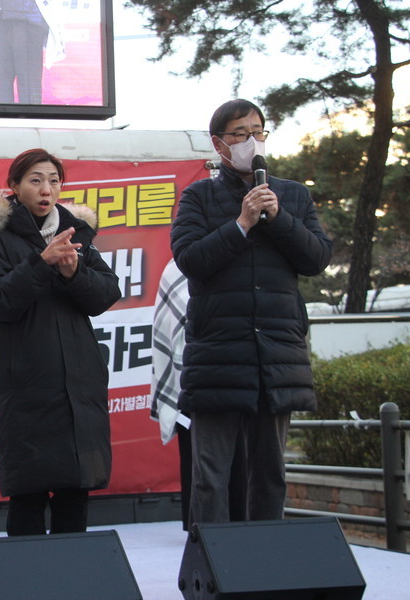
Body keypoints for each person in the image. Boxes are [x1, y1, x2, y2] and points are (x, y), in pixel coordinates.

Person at [171, 99, 332, 526]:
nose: (252, 141)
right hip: (219, 355)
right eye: (240, 134)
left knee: (270, 473)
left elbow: (317, 258)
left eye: (258, 132)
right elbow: (190, 259)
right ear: (219, 144)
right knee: (211, 476)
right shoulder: (199, 196)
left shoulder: (292, 195)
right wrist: (241, 223)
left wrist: (278, 218)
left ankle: (267, 559)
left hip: (275, 354)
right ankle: (210, 560)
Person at [0, 148, 122, 535]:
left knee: (75, 491)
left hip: (79, 382)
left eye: (54, 181)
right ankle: (24, 572)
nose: (46, 189)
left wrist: (74, 274)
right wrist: (41, 263)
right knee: (29, 494)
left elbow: (106, 295)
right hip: (27, 385)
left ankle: (74, 574)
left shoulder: (76, 233)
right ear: (15, 186)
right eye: (35, 180)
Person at [150, 258, 246, 530]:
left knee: (242, 461)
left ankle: (243, 528)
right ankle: (200, 533)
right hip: (196, 375)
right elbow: (170, 322)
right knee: (202, 463)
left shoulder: (250, 258)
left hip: (243, 370)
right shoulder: (182, 262)